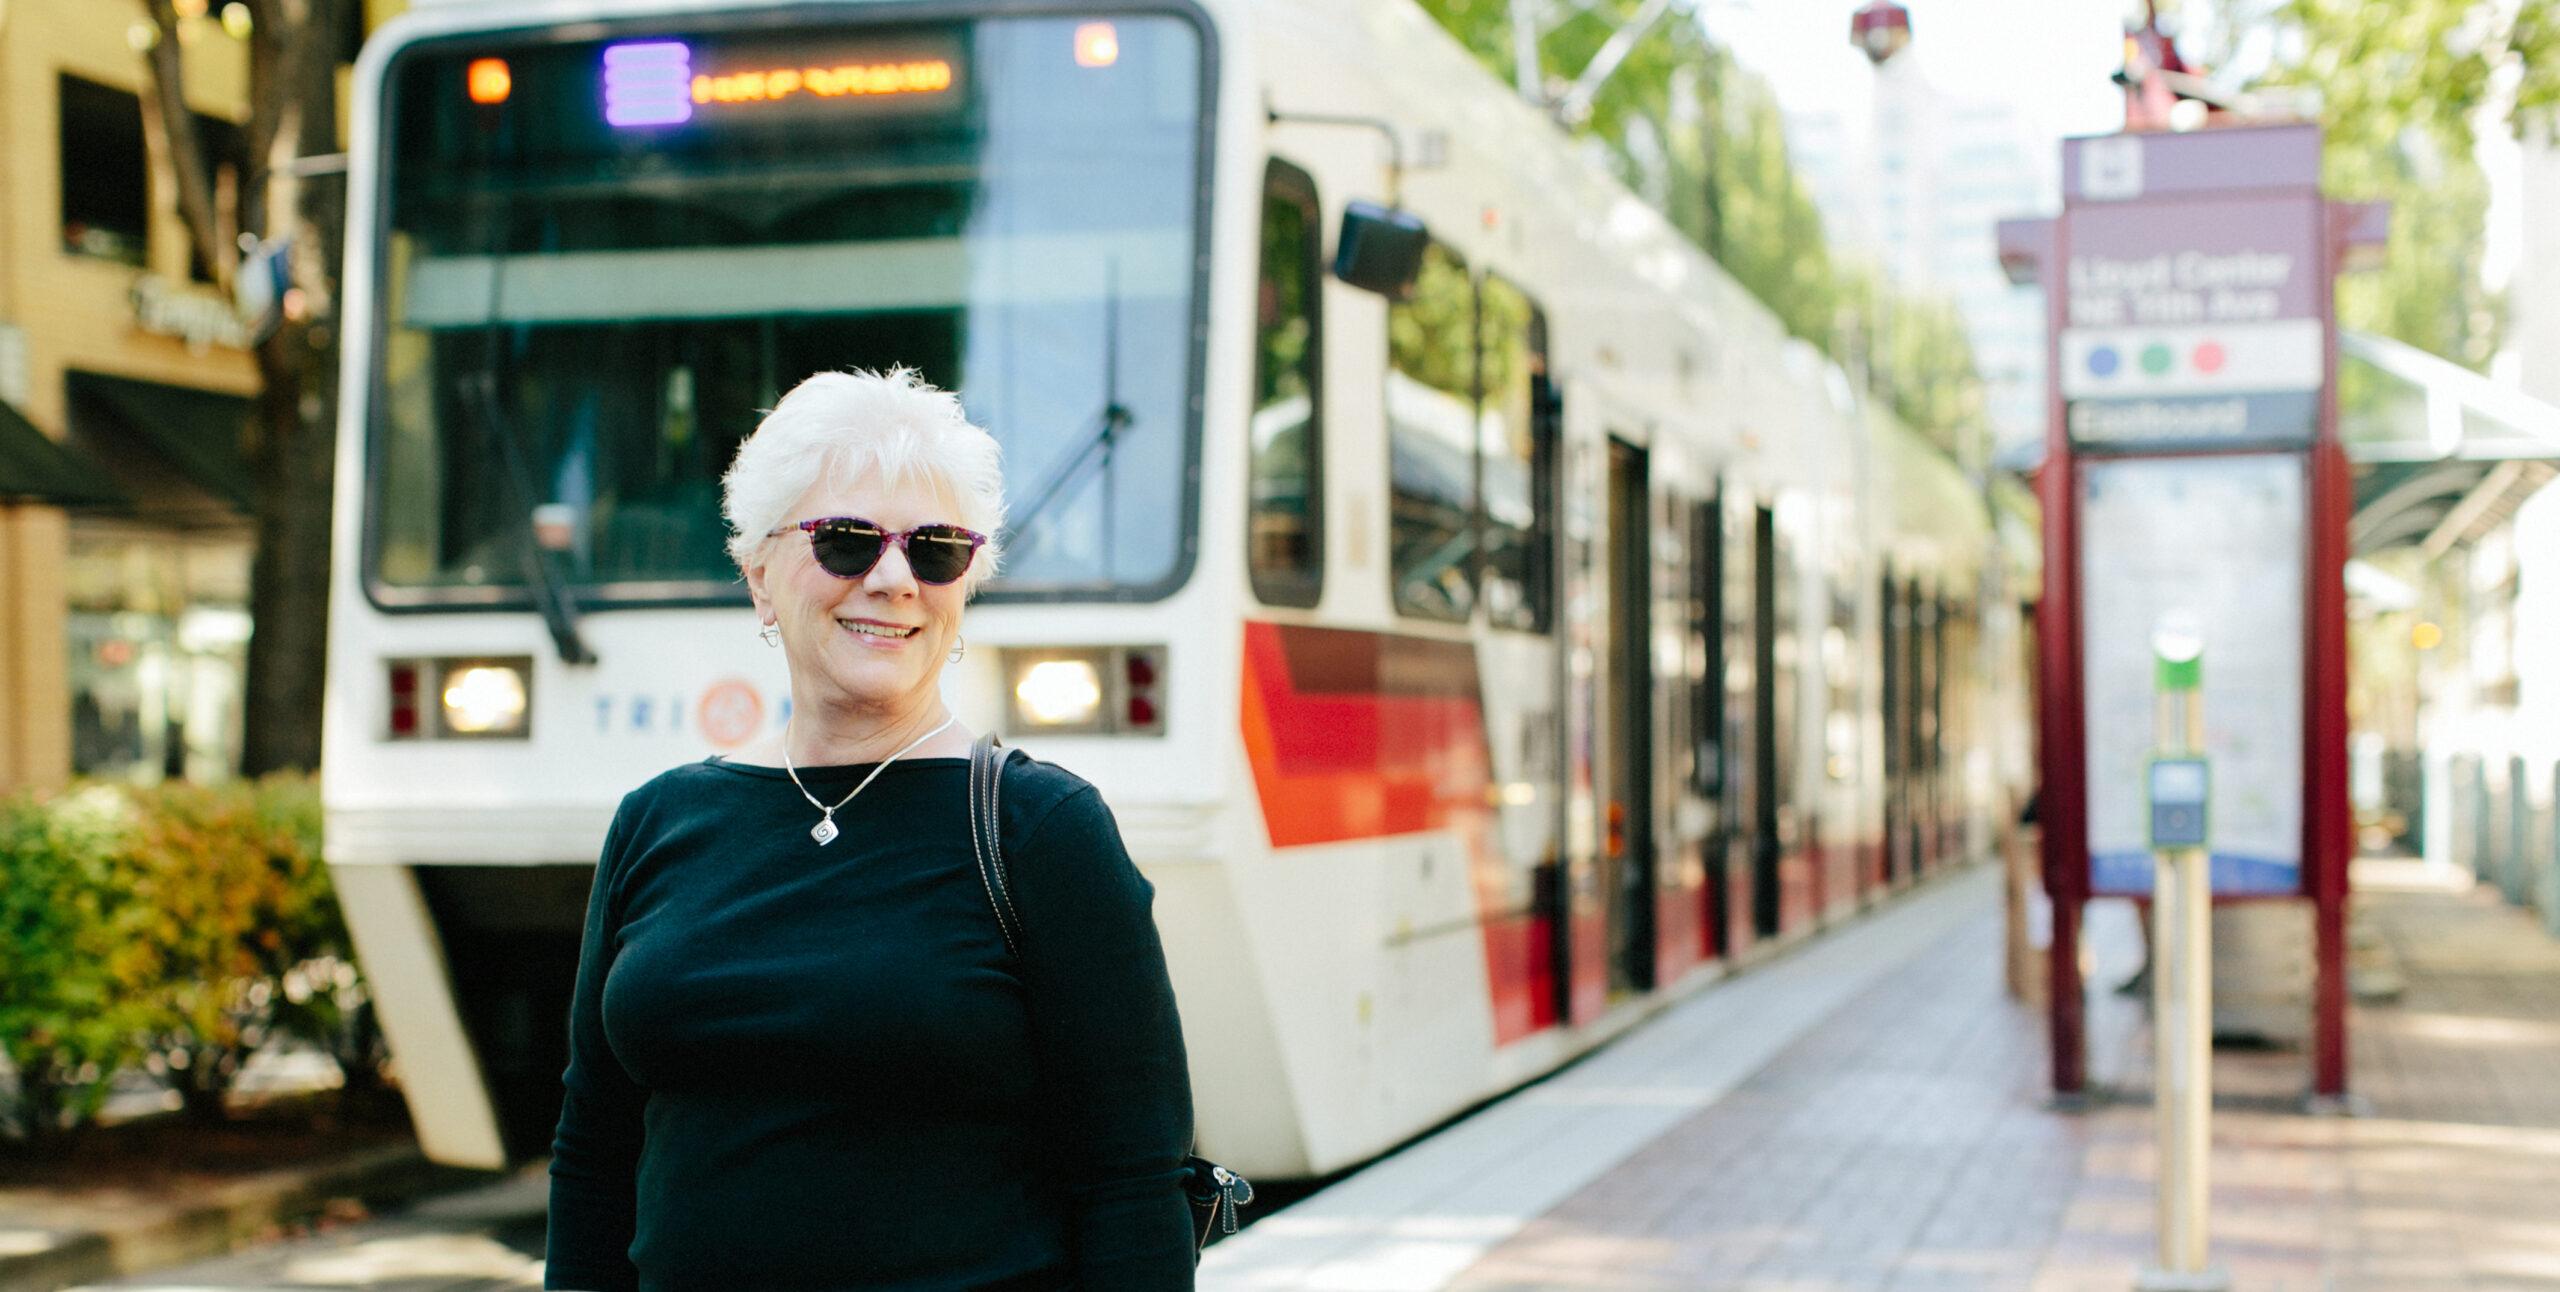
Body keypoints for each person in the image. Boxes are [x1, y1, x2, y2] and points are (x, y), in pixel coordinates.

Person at [545, 369, 1198, 1291]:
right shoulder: (659, 822)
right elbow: (594, 1155)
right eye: (847, 542)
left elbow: (1132, 1184)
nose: (893, 579)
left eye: (936, 551)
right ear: (760, 575)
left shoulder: (1042, 832)